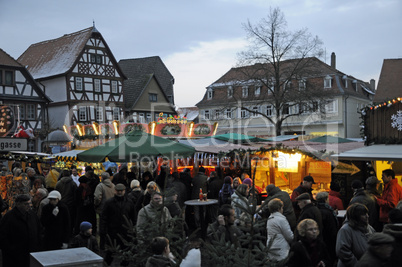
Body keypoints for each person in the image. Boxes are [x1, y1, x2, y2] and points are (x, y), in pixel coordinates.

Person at [0, 194, 42, 267]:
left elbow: (39, 229)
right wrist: (11, 249)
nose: (29, 206)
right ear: (18, 204)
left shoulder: (32, 215)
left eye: (30, 203)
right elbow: (3, 236)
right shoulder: (9, 217)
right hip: (15, 256)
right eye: (26, 204)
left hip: (31, 252)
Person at [100, 183, 136, 266]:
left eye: (121, 191)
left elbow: (133, 217)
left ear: (124, 191)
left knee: (126, 252)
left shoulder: (129, 202)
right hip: (112, 231)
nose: (119, 192)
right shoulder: (109, 203)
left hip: (126, 232)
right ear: (115, 191)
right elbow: (103, 217)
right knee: (110, 252)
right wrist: (103, 230)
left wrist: (133, 229)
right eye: (118, 191)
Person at [316, 191, 339, 265]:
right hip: (328, 241)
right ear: (326, 199)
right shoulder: (328, 212)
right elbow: (332, 229)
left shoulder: (316, 210)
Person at [56, 168, 77, 234]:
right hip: (71, 204)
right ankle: (69, 232)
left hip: (61, 203)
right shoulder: (73, 183)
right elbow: (75, 195)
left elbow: (56, 193)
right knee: (70, 219)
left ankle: (62, 232)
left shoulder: (58, 183)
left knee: (61, 219)